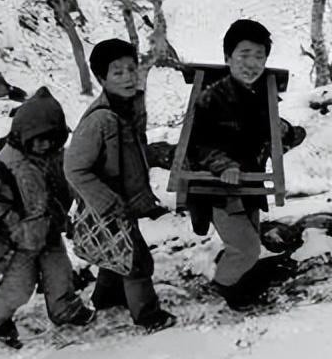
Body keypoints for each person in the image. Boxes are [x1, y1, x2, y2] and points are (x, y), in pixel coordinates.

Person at [0, 87, 93, 348]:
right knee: (18, 288)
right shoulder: (6, 164)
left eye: (51, 139)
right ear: (23, 135)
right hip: (21, 242)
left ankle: (66, 310)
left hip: (49, 231)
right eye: (39, 139)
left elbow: (62, 185)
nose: (45, 144)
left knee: (60, 275)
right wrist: (5, 218)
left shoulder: (49, 157)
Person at [187, 19, 306, 310]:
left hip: (248, 186)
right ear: (228, 58)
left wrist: (286, 131)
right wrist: (223, 165)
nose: (251, 63)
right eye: (244, 55)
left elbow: (273, 134)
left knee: (246, 242)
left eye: (259, 56)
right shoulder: (211, 98)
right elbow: (198, 144)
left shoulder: (261, 97)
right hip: (216, 187)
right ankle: (225, 289)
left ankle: (240, 280)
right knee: (247, 248)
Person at [65, 39, 175, 330]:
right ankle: (148, 315)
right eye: (118, 72)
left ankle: (107, 297)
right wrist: (106, 201)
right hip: (110, 203)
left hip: (124, 200)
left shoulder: (128, 107)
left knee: (117, 251)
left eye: (131, 69)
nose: (128, 77)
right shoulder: (99, 120)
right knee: (136, 260)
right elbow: (74, 167)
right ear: (101, 79)